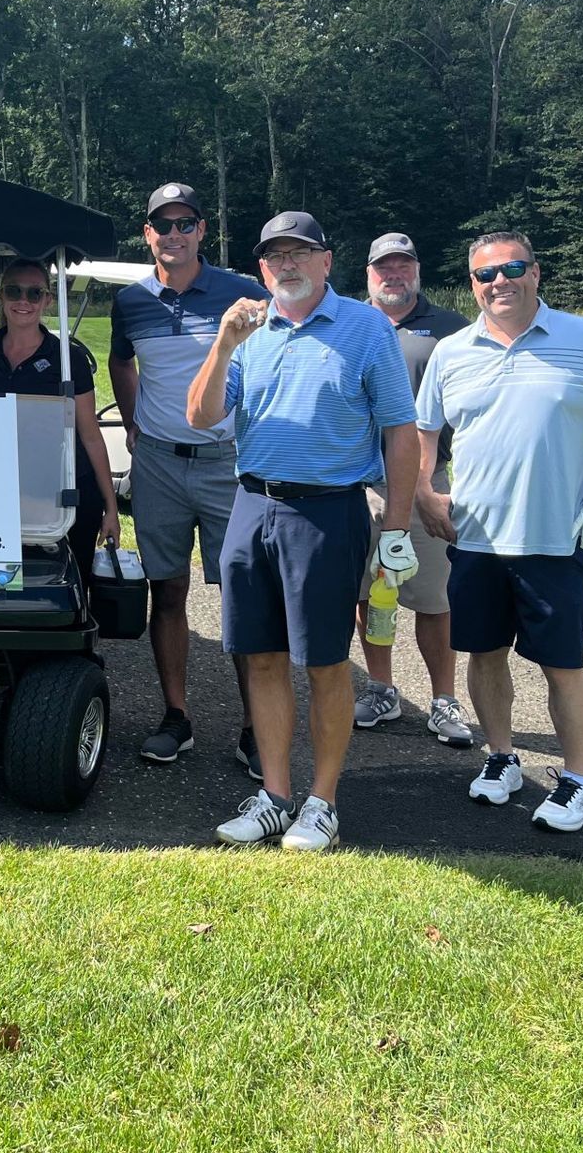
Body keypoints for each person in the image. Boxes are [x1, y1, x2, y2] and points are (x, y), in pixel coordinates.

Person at [186, 211, 420, 852]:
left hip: (326, 512)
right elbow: (202, 415)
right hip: (252, 504)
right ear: (262, 268)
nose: (285, 266)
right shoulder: (249, 333)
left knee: (322, 661)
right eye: (274, 257)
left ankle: (323, 801)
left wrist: (395, 528)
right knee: (257, 655)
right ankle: (275, 795)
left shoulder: (366, 328)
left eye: (299, 254)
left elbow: (400, 432)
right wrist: (222, 344)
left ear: (325, 261)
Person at [414, 232, 583, 833]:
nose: (501, 282)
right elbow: (423, 432)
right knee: (484, 655)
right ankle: (501, 759)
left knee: (560, 664)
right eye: (487, 274)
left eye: (513, 269)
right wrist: (423, 489)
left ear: (536, 273)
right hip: (476, 539)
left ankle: (578, 781)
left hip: (553, 538)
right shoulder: (452, 350)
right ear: (472, 284)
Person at [107, 183, 267, 775]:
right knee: (167, 590)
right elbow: (121, 361)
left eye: (185, 223)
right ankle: (176, 717)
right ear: (148, 234)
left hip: (228, 463)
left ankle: (257, 726)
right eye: (162, 225)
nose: (173, 234)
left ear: (201, 230)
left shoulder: (244, 293)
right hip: (159, 464)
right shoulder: (131, 302)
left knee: (244, 597)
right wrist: (131, 424)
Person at [350, 232, 475, 747]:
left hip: (428, 482)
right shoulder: (349, 323)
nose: (393, 275)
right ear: (369, 274)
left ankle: (442, 698)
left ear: (417, 271)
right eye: (384, 267)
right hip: (358, 482)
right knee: (369, 594)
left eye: (402, 265)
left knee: (432, 597)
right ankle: (382, 688)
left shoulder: (450, 329)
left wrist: (432, 485)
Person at [0, 258, 121, 575]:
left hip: (63, 489)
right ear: (1, 297)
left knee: (70, 583)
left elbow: (90, 436)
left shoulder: (67, 359)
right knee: (1, 583)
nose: (23, 301)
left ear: (47, 300)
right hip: (3, 488)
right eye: (14, 291)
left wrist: (111, 509)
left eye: (34, 293)